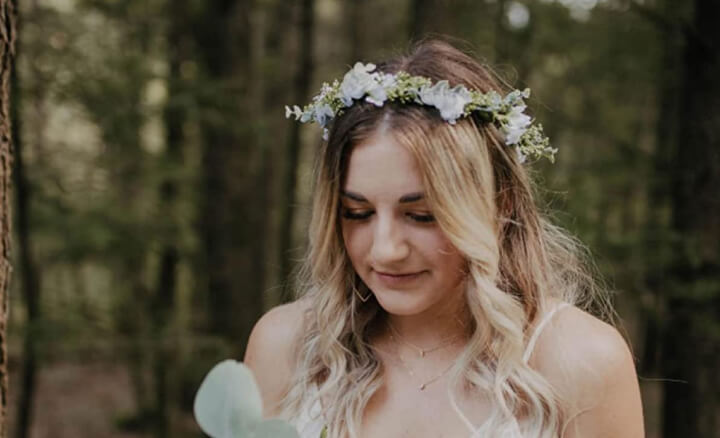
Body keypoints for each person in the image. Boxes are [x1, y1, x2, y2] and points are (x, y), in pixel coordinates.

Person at [243, 39, 644, 438]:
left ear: (497, 203)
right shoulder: (284, 348)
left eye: (421, 216)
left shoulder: (582, 364)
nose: (386, 249)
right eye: (358, 213)